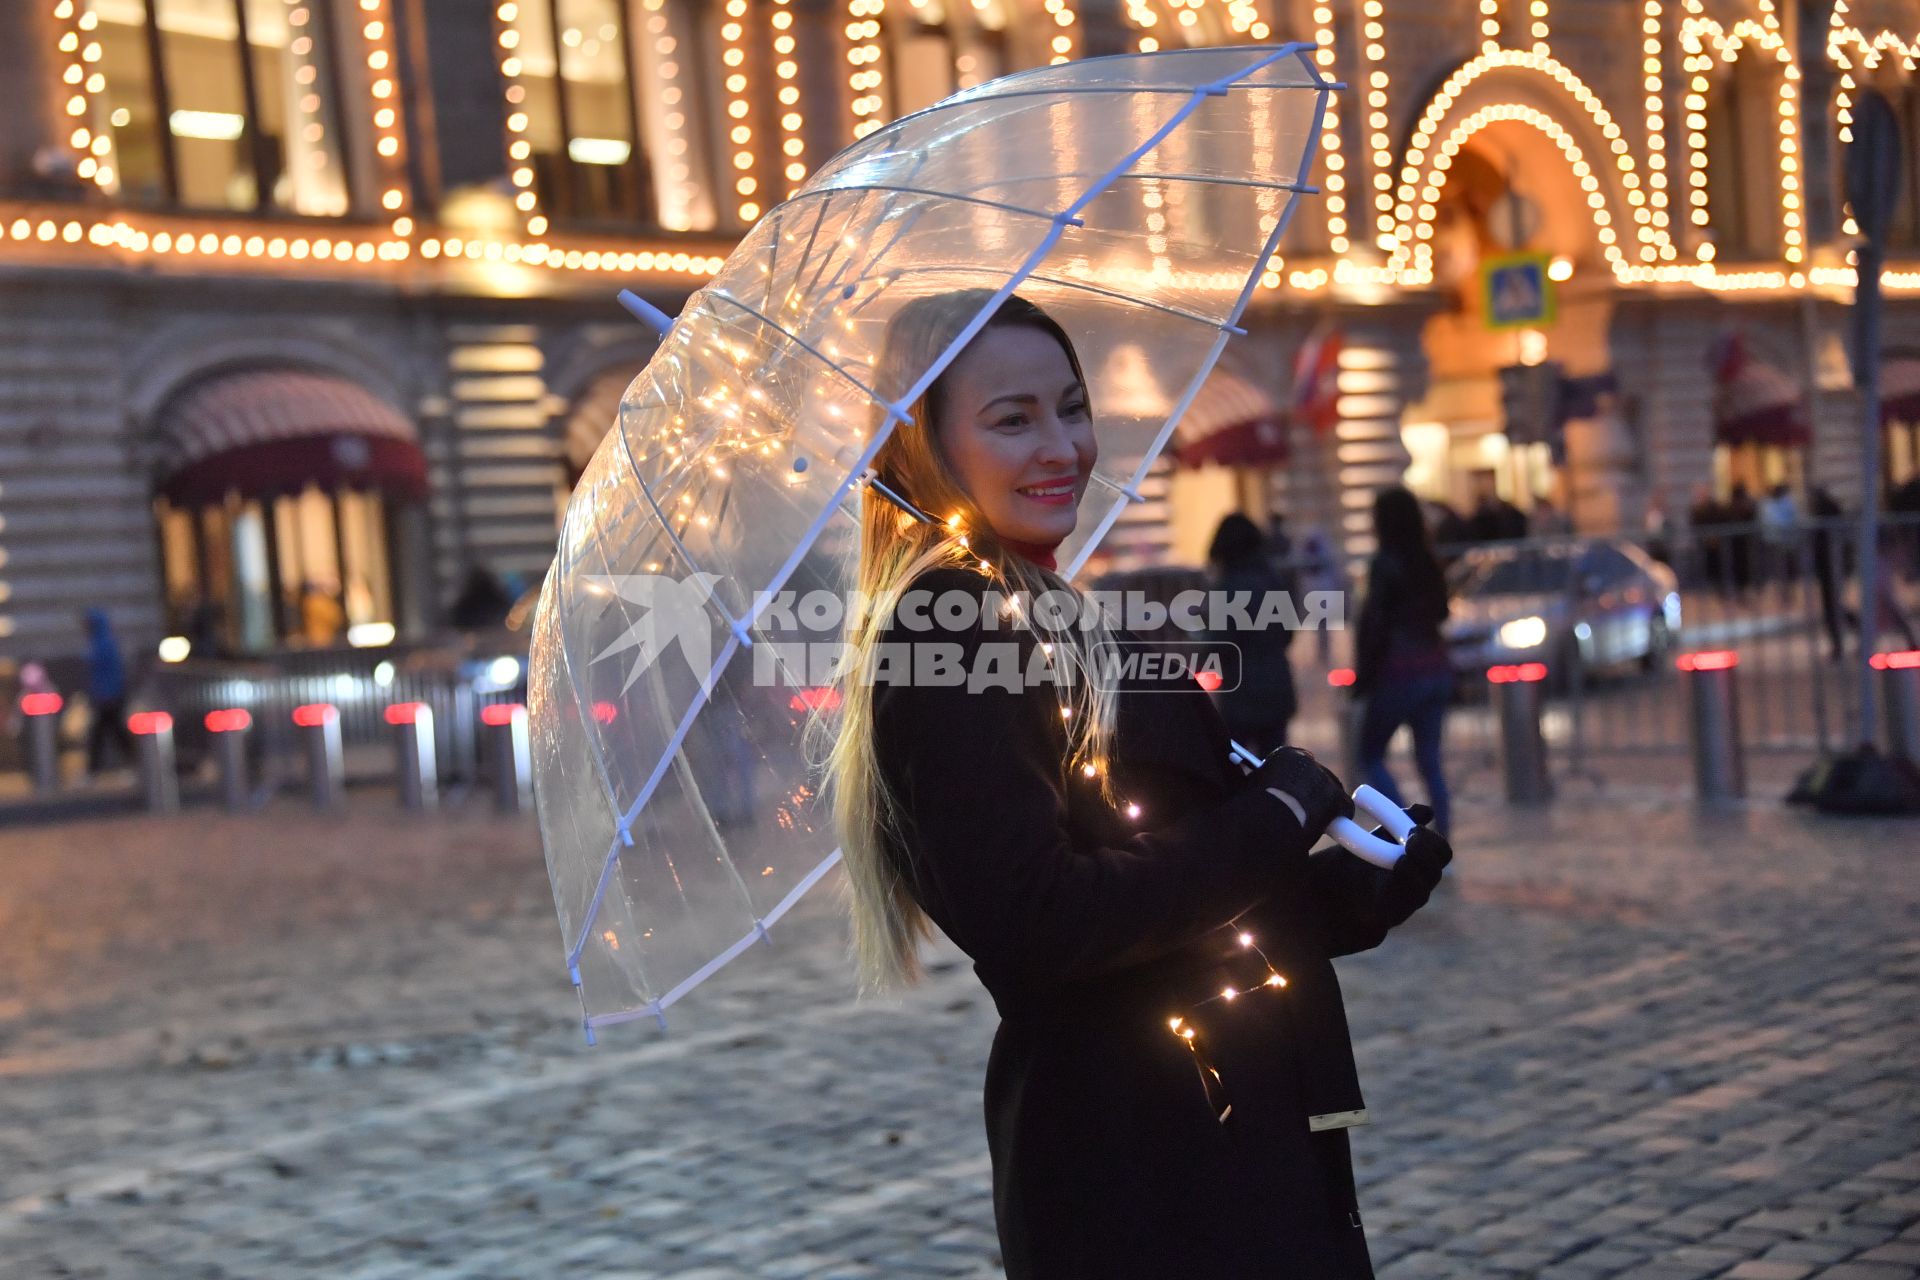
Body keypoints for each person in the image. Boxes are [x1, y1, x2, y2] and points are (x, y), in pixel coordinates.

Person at [825, 290, 1451, 1279]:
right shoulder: (945, 625)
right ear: (924, 445)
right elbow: (1044, 916)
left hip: (1218, 1129)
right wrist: (1277, 812)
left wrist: (1348, 895)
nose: (1062, 444)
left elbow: (1164, 902)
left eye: (1070, 407)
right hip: (1138, 1166)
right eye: (1012, 418)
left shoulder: (1035, 607)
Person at [1352, 487, 1455, 838]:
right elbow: (1442, 611)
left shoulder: (1383, 564)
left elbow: (1374, 626)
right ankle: (1442, 838)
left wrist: (1363, 676)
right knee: (1430, 760)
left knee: (1370, 755)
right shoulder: (1427, 560)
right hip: (1435, 667)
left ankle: (1409, 832)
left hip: (1399, 672)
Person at [1203, 512, 1299, 757]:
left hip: (1241, 694)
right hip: (1278, 688)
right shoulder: (1274, 580)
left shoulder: (1228, 587)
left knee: (1237, 768)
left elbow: (1220, 643)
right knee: (1274, 768)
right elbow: (1287, 635)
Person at [82, 608, 134, 774]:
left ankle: (94, 770)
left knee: (105, 733)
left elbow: (107, 673)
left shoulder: (103, 644)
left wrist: (105, 695)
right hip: (108, 696)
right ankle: (131, 764)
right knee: (112, 733)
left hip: (109, 697)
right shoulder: (103, 642)